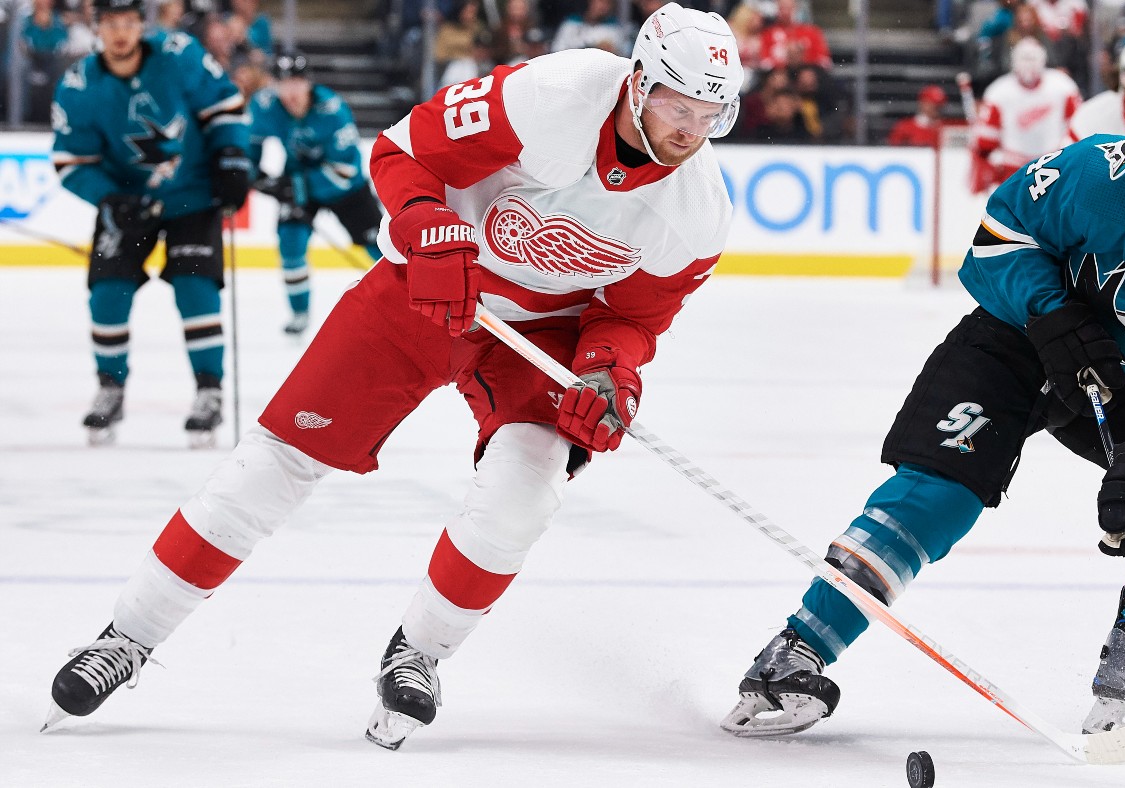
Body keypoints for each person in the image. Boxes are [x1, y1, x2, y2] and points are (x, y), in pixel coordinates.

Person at [42, 2, 741, 752]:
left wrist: (608, 373)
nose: (690, 132)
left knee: (526, 490)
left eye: (712, 116)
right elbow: (404, 152)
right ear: (638, 82)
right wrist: (427, 227)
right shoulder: (552, 93)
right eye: (678, 108)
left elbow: (632, 318)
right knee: (276, 461)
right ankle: (128, 636)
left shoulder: (698, 213)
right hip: (426, 288)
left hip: (544, 333)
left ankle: (421, 653)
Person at [721, 92, 1125, 743]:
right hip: (1016, 340)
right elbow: (997, 240)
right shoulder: (1097, 172)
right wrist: (1049, 310)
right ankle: (796, 650)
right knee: (940, 491)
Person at [50, 0, 251, 448]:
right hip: (128, 201)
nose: (120, 33)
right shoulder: (79, 84)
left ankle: (209, 391)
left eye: (129, 22)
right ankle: (110, 386)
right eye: (110, 24)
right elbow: (71, 161)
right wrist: (109, 197)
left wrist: (232, 155)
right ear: (96, 28)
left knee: (195, 287)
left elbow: (224, 105)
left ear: (142, 25)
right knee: (107, 291)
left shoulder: (179, 54)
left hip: (193, 195)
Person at [248, 51, 385, 335]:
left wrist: (295, 185)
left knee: (381, 247)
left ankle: (414, 298)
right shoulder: (265, 106)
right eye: (284, 83)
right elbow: (248, 148)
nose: (291, 92)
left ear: (308, 83)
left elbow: (345, 171)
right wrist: (251, 175)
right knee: (290, 241)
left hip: (346, 189)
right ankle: (299, 313)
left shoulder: (332, 110)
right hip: (299, 183)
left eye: (297, 83)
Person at [970, 38, 1080, 193]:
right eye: (1024, 58)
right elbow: (985, 140)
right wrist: (988, 166)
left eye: (1032, 58)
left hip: (1054, 167)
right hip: (1012, 169)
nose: (1028, 64)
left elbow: (1078, 126)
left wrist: (1069, 156)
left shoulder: (1063, 86)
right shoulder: (998, 91)